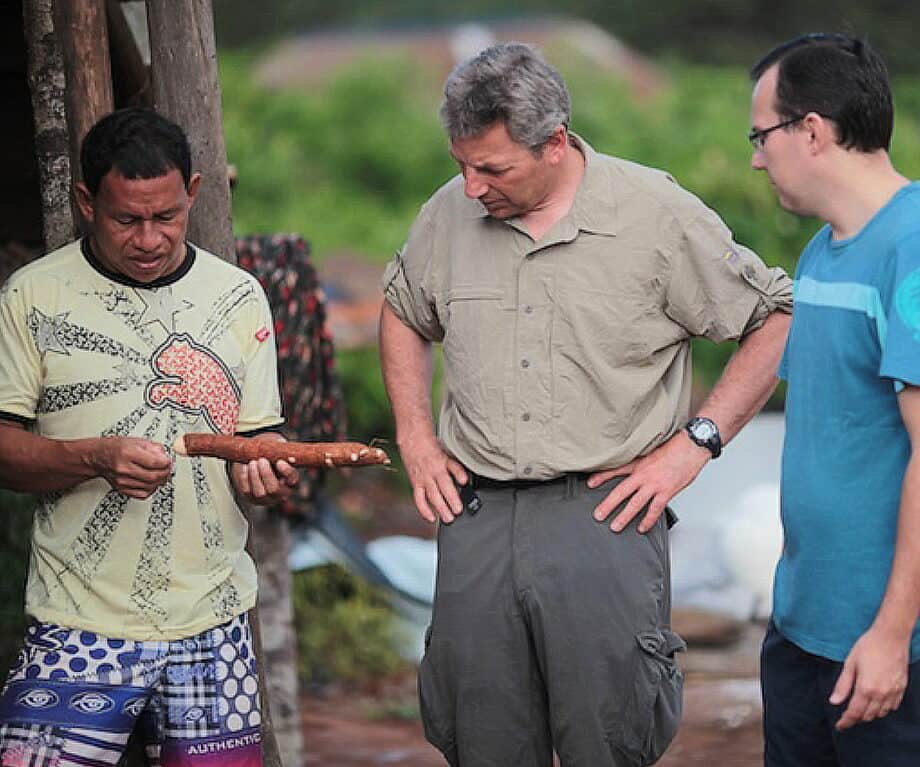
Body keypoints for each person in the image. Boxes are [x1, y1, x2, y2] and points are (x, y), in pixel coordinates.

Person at [380, 42, 792, 766]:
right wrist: (415, 435)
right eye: (461, 164)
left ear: (556, 142)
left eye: (493, 168)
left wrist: (695, 443)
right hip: (475, 515)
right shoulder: (448, 213)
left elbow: (774, 318)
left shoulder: (655, 214)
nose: (471, 187)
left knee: (609, 735)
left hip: (604, 514)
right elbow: (403, 311)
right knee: (481, 736)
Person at [0, 107, 298, 767]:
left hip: (212, 617)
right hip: (78, 620)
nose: (148, 238)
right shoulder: (31, 297)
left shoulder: (240, 297)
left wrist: (265, 471)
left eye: (166, 216)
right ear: (85, 201)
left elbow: (260, 437)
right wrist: (94, 458)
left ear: (192, 193)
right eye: (125, 218)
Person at [750, 33, 920, 765]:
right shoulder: (823, 248)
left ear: (811, 130)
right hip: (801, 632)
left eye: (761, 136)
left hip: (881, 651)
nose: (757, 157)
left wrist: (890, 636)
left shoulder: (910, 248)